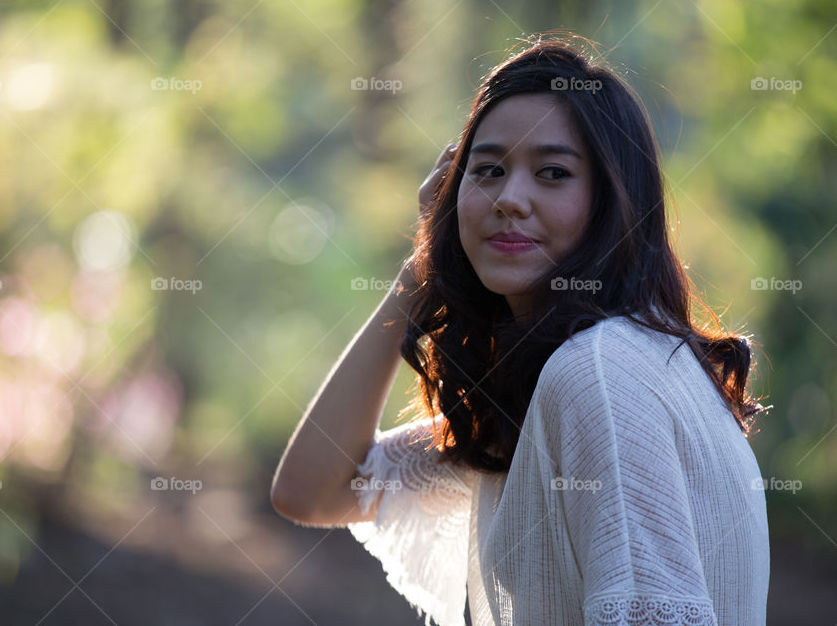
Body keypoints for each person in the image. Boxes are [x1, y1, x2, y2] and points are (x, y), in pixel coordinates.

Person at [270, 36, 771, 626]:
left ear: (614, 201)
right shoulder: (558, 382)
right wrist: (423, 264)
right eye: (487, 171)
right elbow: (313, 489)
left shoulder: (600, 372)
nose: (509, 198)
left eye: (553, 173)